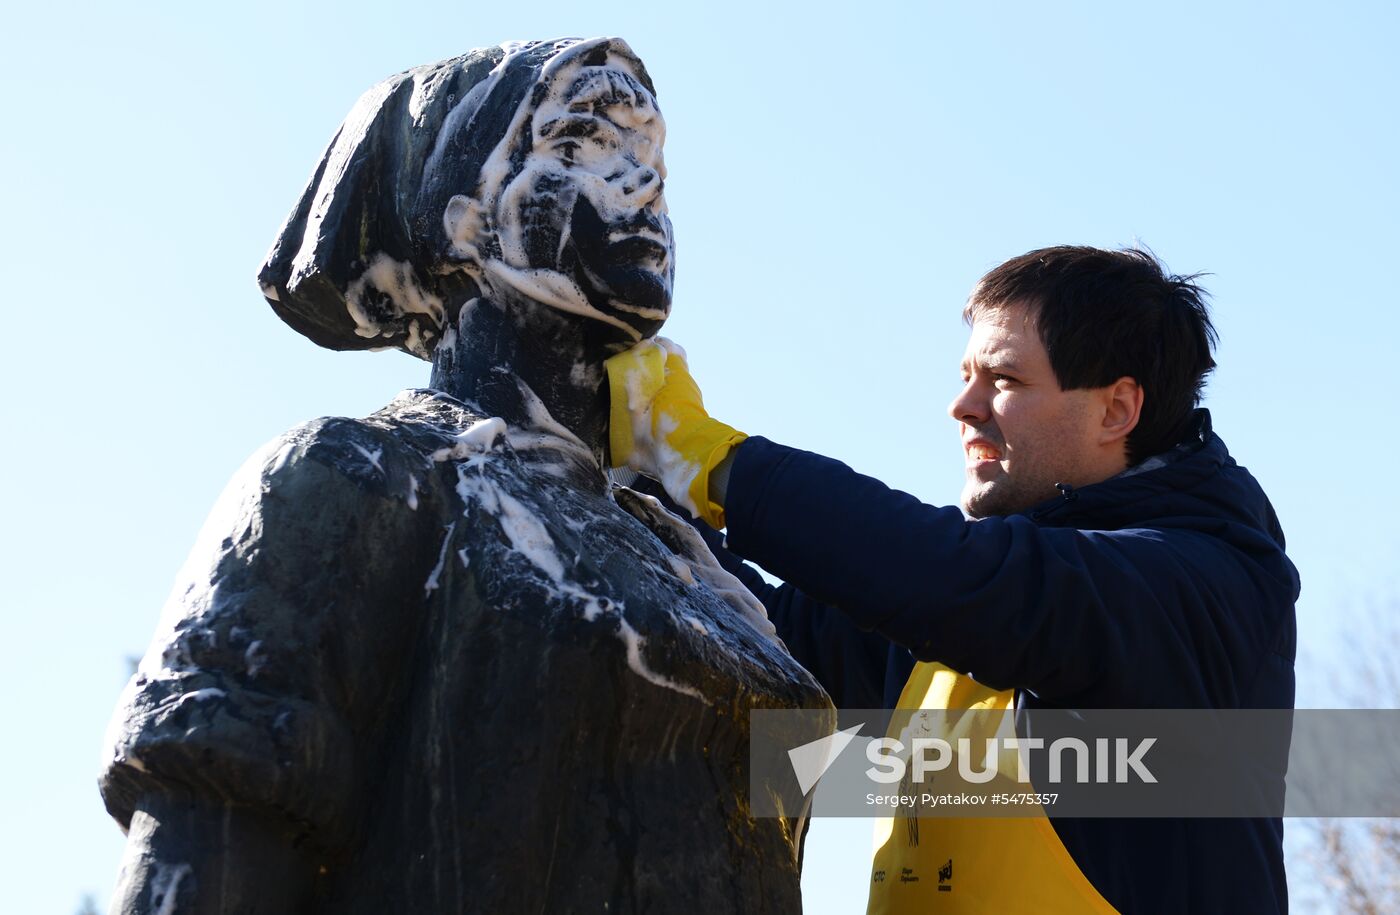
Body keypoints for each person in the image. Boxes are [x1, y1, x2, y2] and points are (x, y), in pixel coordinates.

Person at [100, 38, 827, 914]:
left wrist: (1023, 758)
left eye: (650, 147)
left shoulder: (701, 574)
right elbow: (202, 858)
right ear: (466, 223)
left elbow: (859, 768)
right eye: (584, 141)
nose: (644, 178)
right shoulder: (355, 477)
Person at [607, 245, 1299, 913]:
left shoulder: (1202, 584)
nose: (962, 406)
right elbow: (767, 634)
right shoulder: (963, 605)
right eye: (966, 375)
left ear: (1116, 409)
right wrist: (639, 487)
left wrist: (700, 452)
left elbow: (964, 580)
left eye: (1004, 380)